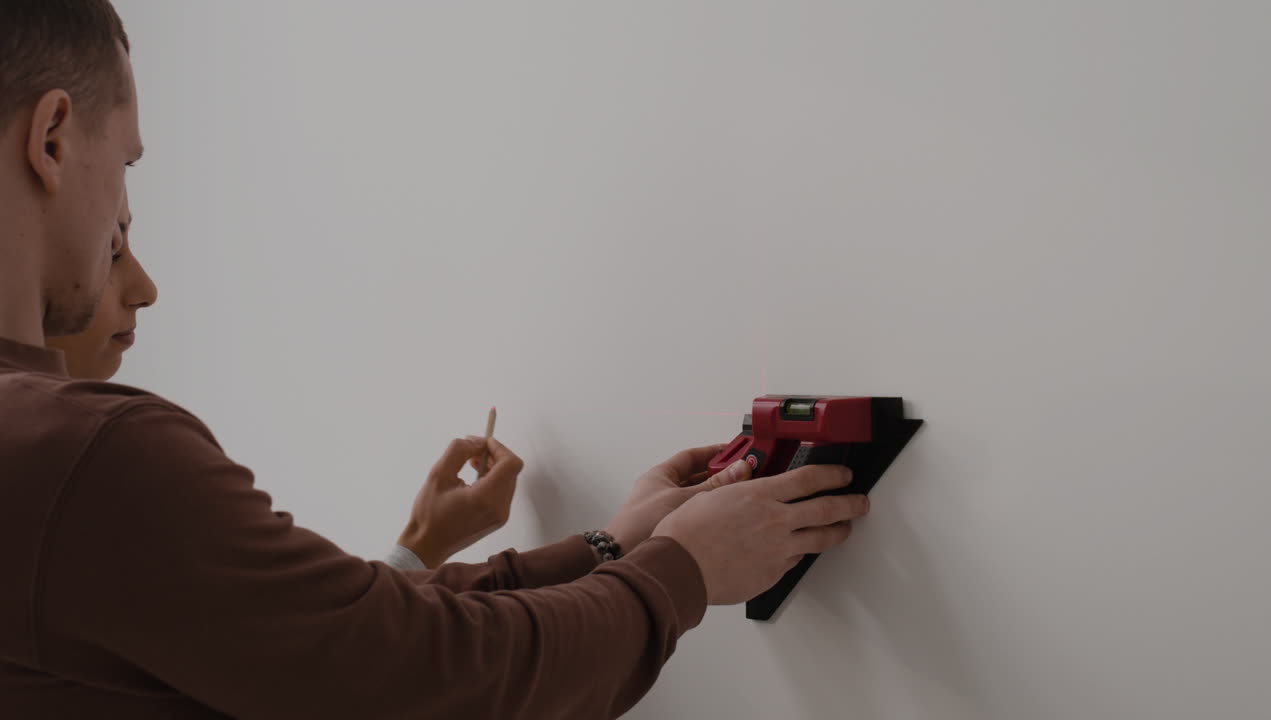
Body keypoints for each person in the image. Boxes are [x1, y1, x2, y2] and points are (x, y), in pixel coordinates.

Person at [0, 2, 872, 718]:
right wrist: (683, 570)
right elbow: (417, 678)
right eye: (125, 164)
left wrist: (613, 545)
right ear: (51, 138)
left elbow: (331, 648)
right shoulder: (81, 455)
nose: (129, 231)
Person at [44, 191, 514, 571]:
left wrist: (422, 546)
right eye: (112, 250)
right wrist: (422, 545)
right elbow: (309, 667)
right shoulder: (103, 465)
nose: (147, 290)